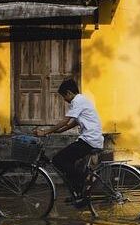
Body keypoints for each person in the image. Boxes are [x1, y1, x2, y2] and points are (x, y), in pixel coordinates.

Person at [34, 78, 104, 207]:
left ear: (69, 93)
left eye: (64, 96)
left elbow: (66, 121)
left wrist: (46, 132)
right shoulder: (82, 100)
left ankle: (81, 181)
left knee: (58, 160)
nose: (64, 100)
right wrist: (59, 131)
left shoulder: (77, 101)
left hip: (89, 140)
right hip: (91, 138)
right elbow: (75, 122)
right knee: (68, 162)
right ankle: (78, 192)